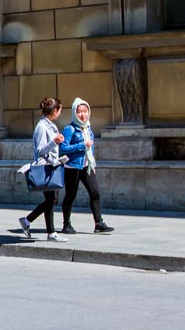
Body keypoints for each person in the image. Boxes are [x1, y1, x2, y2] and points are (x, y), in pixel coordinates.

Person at [60, 98, 114, 234]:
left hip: (86, 166)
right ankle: (66, 224)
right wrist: (81, 145)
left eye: (85, 111)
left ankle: (99, 223)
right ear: (74, 113)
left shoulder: (87, 127)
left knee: (95, 192)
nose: (83, 115)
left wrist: (92, 162)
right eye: (79, 112)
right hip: (72, 167)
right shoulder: (69, 129)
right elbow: (63, 148)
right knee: (70, 196)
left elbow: (91, 147)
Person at [19, 96, 69, 242]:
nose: (60, 113)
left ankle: (34, 224)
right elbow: (40, 150)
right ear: (54, 110)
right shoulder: (42, 127)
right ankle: (45, 229)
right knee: (52, 199)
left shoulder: (49, 125)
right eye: (59, 110)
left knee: (52, 199)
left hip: (51, 165)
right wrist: (55, 142)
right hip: (45, 167)